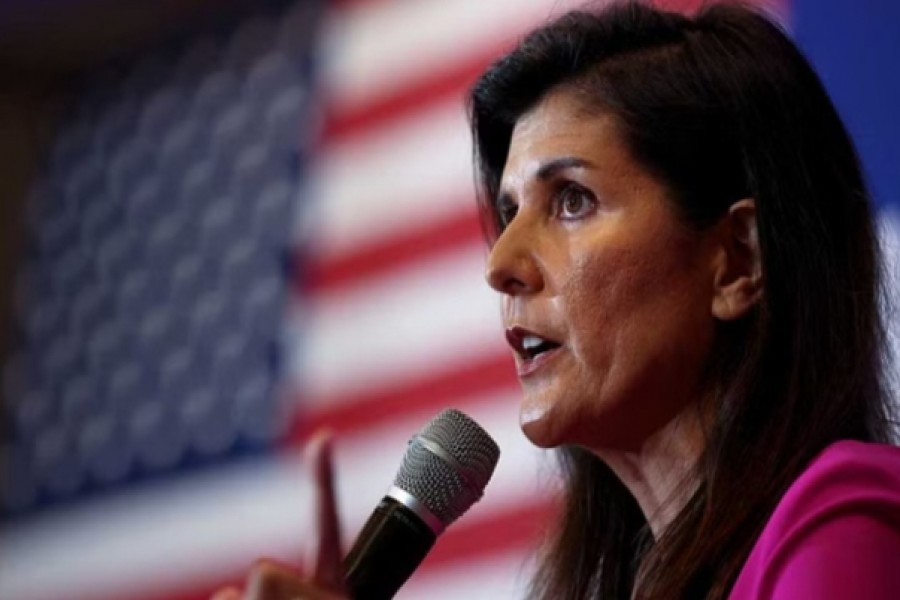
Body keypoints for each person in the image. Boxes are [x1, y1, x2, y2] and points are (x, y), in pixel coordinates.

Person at [214, 1, 900, 598]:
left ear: (737, 262)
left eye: (572, 200)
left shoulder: (841, 525)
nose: (502, 264)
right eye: (509, 211)